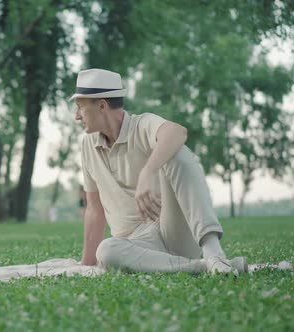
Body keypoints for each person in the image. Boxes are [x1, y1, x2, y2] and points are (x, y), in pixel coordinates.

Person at [71, 69, 247, 274]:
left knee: (178, 153)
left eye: (80, 108)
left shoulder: (142, 124)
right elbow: (94, 208)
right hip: (137, 246)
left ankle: (214, 254)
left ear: (101, 105)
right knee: (107, 250)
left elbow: (177, 131)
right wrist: (86, 263)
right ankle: (203, 268)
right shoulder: (87, 146)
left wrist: (149, 171)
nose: (76, 116)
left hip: (173, 233)